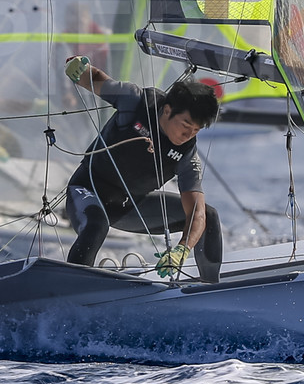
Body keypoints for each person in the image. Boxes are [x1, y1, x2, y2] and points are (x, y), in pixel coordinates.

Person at [62, 56, 223, 282]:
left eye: (196, 130)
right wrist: (79, 67)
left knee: (208, 215)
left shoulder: (187, 154)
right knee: (97, 225)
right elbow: (97, 78)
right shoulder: (136, 101)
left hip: (129, 206)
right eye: (186, 125)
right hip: (86, 192)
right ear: (167, 110)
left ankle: (209, 288)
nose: (188, 135)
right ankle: (71, 287)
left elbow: (196, 211)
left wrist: (182, 249)